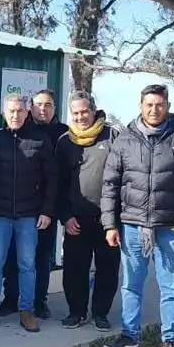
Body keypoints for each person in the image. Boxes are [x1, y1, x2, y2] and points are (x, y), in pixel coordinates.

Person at [100, 84, 174, 347]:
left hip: (171, 229)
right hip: (132, 226)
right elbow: (110, 184)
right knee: (131, 285)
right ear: (140, 106)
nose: (154, 109)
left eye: (159, 104)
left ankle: (171, 340)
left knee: (171, 288)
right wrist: (110, 224)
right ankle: (129, 337)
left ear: (167, 106)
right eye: (149, 104)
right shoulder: (124, 140)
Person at [0, 93, 58, 333]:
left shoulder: (41, 141)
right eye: (11, 111)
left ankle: (26, 311)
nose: (15, 115)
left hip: (29, 216)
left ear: (27, 112)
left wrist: (46, 211)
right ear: (3, 113)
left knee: (27, 264)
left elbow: (51, 180)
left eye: (20, 111)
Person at [55, 90, 121, 331]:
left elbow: (125, 177)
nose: (81, 116)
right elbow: (58, 184)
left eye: (85, 111)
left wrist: (114, 219)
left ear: (94, 110)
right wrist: (65, 216)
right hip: (76, 219)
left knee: (107, 268)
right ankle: (76, 312)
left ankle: (100, 314)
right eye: (76, 113)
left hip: (108, 220)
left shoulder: (113, 135)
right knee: (74, 268)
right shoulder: (64, 142)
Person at [0, 89, 67, 319]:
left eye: (47, 105)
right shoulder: (21, 132)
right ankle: (11, 298)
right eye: (38, 105)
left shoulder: (63, 134)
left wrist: (51, 208)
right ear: (31, 108)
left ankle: (39, 301)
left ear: (54, 109)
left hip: (48, 207)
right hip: (21, 207)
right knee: (14, 255)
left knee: (42, 256)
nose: (42, 109)